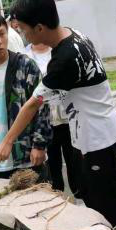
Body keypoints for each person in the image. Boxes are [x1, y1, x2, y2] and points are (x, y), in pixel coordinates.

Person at [0, 0, 116, 230]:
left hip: (97, 140)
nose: (24, 36)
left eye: (24, 30)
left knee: (108, 207)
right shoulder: (75, 34)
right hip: (102, 133)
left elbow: (32, 105)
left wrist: (7, 141)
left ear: (40, 28)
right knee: (100, 199)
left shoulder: (64, 59)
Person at [0, 11, 51, 180]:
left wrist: (39, 145)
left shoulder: (25, 66)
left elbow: (42, 106)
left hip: (28, 157)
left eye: (2, 34)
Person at [22, 41, 80, 195]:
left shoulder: (59, 51)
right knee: (52, 166)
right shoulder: (25, 56)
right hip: (44, 123)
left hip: (67, 118)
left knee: (74, 163)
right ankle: (56, 198)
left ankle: (79, 197)